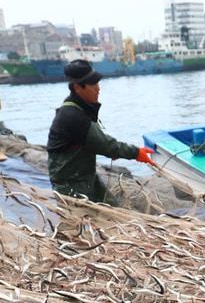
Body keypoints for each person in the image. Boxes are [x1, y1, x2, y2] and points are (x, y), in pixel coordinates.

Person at [46, 59, 152, 202]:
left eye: (97, 83)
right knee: (84, 220)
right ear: (77, 88)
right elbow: (105, 145)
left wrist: (111, 150)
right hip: (71, 185)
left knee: (112, 207)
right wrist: (136, 152)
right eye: (92, 84)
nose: (98, 88)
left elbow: (95, 141)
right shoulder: (73, 116)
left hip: (84, 176)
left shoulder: (77, 108)